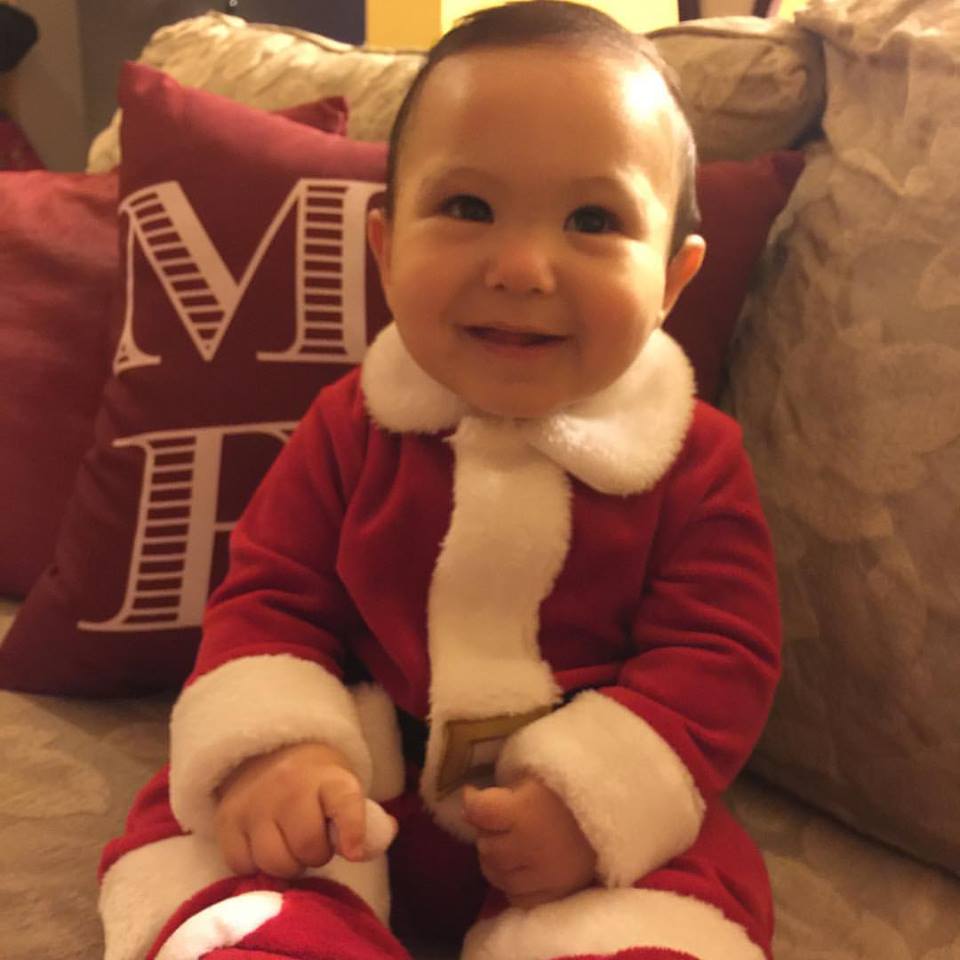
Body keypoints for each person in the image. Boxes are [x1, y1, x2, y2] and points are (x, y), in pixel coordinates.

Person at [98, 3, 782, 959]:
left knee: (677, 909)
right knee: (226, 862)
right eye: (467, 208)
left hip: (586, 833)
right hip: (356, 786)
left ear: (672, 282)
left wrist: (595, 799)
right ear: (386, 250)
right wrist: (281, 747)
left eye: (593, 220)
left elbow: (717, 658)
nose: (522, 268)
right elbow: (268, 597)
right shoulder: (351, 426)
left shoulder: (692, 460)